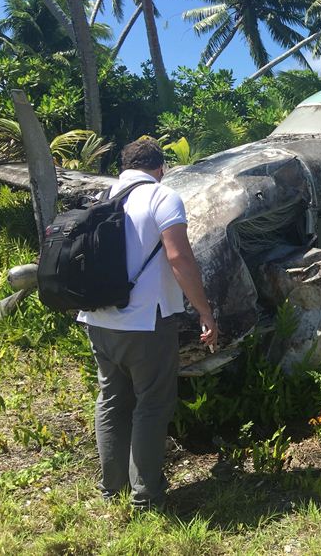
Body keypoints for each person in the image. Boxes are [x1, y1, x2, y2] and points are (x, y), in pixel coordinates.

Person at [78, 137, 219, 510]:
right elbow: (179, 257)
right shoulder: (162, 196)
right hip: (145, 322)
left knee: (111, 400)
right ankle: (146, 495)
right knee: (152, 405)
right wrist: (204, 310)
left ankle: (113, 489)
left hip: (98, 319)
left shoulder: (104, 195)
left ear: (124, 165)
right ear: (161, 167)